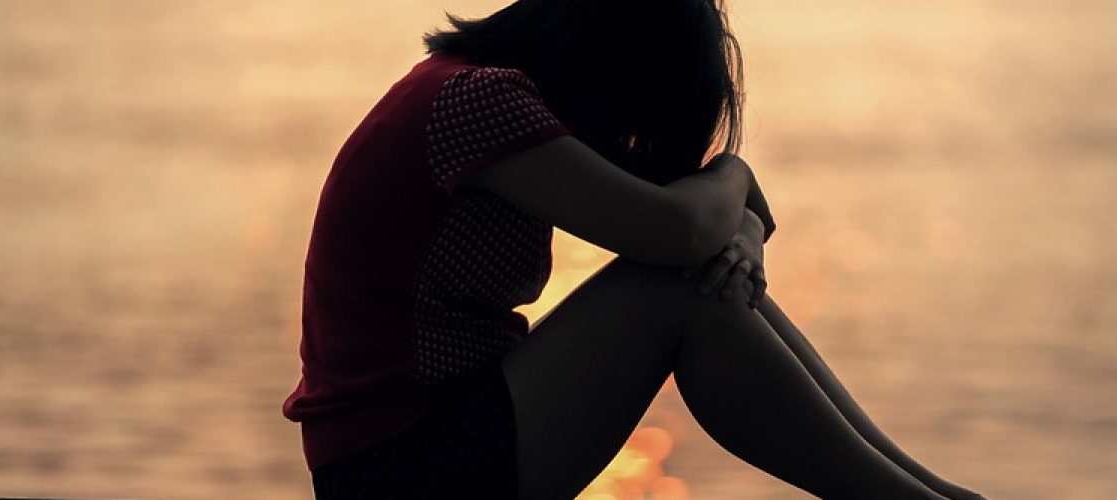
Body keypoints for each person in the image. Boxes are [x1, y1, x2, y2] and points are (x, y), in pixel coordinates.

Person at [281, 0, 985, 497]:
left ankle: (935, 494)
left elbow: (694, 224)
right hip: (399, 466)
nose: (628, 141)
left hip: (428, 442)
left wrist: (739, 228)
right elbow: (678, 229)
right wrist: (735, 175)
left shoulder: (473, 92)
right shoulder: (478, 103)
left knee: (694, 278)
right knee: (675, 290)